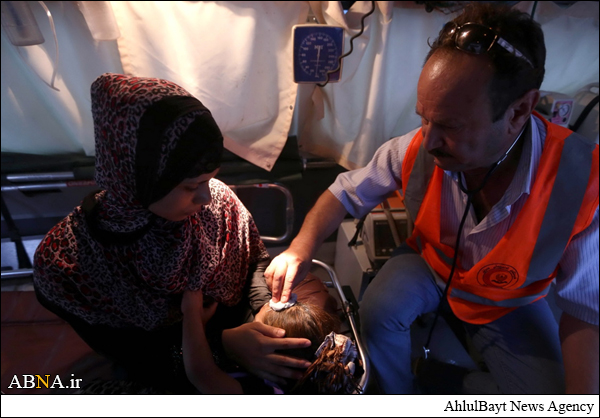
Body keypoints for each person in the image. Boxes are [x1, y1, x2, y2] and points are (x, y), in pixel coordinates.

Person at [265, 3, 599, 394]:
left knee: (550, 397)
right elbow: (344, 193)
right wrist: (301, 249)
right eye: (424, 118)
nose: (430, 140)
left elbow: (585, 315)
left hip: (510, 301)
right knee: (377, 313)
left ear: (519, 110)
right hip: (429, 266)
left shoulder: (581, 181)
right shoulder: (414, 147)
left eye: (451, 125)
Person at [32, 73, 329, 394]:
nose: (205, 198)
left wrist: (264, 317)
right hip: (170, 361)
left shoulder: (218, 202)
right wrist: (222, 346)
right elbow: (131, 353)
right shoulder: (65, 266)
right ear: (138, 178)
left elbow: (252, 263)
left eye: (209, 179)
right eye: (191, 186)